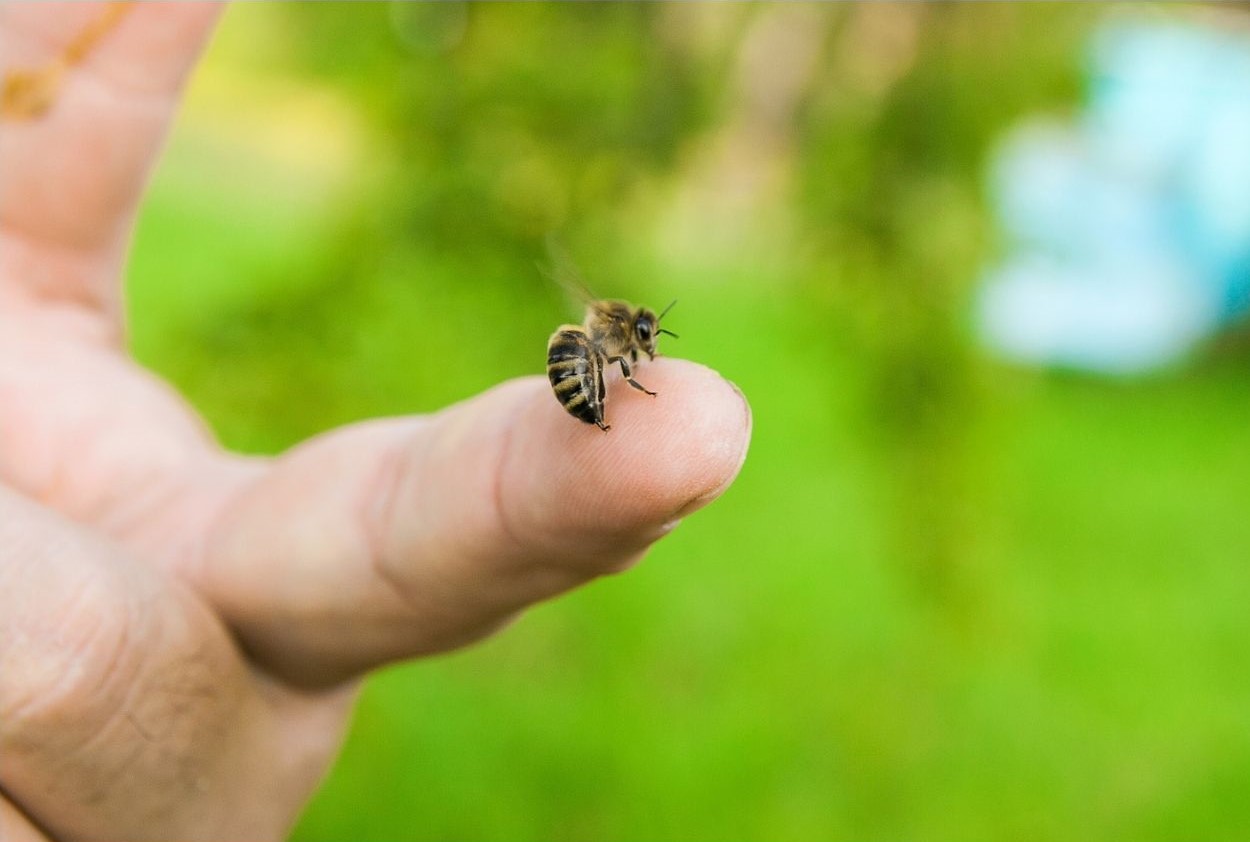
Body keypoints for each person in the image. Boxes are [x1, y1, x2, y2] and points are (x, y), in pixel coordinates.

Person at [0, 5, 750, 840]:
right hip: (576, 379)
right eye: (643, 340)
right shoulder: (606, 341)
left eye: (643, 343)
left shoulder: (615, 343)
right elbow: (604, 353)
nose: (646, 346)